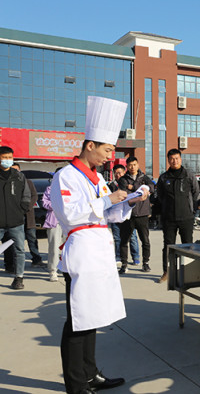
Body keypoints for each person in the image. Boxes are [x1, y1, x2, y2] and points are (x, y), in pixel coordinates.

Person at [50, 96, 150, 393]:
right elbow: (70, 213)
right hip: (81, 252)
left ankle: (91, 374)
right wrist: (108, 199)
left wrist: (130, 200)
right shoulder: (66, 176)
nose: (110, 156)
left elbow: (112, 214)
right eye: (107, 149)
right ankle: (76, 385)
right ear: (90, 146)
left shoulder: (97, 178)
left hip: (99, 252)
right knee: (78, 320)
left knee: (91, 318)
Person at [156, 148, 200, 283]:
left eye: (177, 158)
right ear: (168, 160)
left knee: (188, 245)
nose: (174, 161)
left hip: (186, 217)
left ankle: (189, 273)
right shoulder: (163, 178)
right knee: (168, 246)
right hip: (169, 218)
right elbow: (160, 196)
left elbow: (195, 192)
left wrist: (190, 209)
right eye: (172, 159)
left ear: (180, 159)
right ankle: (167, 272)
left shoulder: (188, 175)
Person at [0, 146, 31, 289]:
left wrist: (22, 210)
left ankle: (19, 278)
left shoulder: (19, 176)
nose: (7, 160)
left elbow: (26, 195)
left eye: (9, 157)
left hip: (16, 222)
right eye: (4, 157)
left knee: (19, 250)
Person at [117, 156, 155, 274]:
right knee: (124, 241)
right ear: (126, 167)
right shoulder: (123, 180)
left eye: (134, 164)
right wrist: (141, 191)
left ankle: (145, 263)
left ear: (138, 165)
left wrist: (133, 187)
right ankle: (124, 264)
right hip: (128, 215)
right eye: (130, 165)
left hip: (143, 214)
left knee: (145, 240)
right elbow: (125, 194)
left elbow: (152, 188)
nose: (132, 167)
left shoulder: (144, 178)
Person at [11, 162, 47, 268]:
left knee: (32, 238)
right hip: (15, 217)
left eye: (17, 170)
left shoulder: (28, 182)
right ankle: (13, 262)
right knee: (16, 240)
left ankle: (36, 259)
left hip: (28, 216)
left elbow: (34, 196)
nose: (15, 172)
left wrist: (26, 207)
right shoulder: (8, 183)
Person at [108, 164, 140, 265]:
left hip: (128, 215)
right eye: (116, 173)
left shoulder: (128, 183)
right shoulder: (111, 186)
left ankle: (136, 257)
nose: (118, 175)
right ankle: (118, 257)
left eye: (120, 173)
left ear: (124, 172)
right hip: (115, 215)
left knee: (132, 237)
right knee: (117, 237)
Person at [42, 168, 65, 282]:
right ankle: (53, 270)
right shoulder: (50, 189)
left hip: (69, 222)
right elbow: (45, 203)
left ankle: (67, 268)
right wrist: (57, 205)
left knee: (69, 247)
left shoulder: (72, 188)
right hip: (54, 221)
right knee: (54, 247)